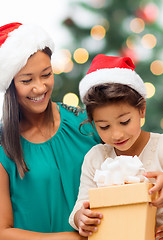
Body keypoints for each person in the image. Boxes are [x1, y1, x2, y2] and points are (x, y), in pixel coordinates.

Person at [0, 22, 101, 240]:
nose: (40, 88)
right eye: (27, 80)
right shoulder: (2, 147)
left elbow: (133, 172)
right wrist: (75, 238)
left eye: (46, 74)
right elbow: (2, 231)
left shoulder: (84, 123)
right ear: (9, 85)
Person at [69, 54, 163, 239]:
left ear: (142, 109)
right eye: (104, 126)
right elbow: (82, 204)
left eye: (124, 122)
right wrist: (81, 217)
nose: (116, 134)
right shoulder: (96, 158)